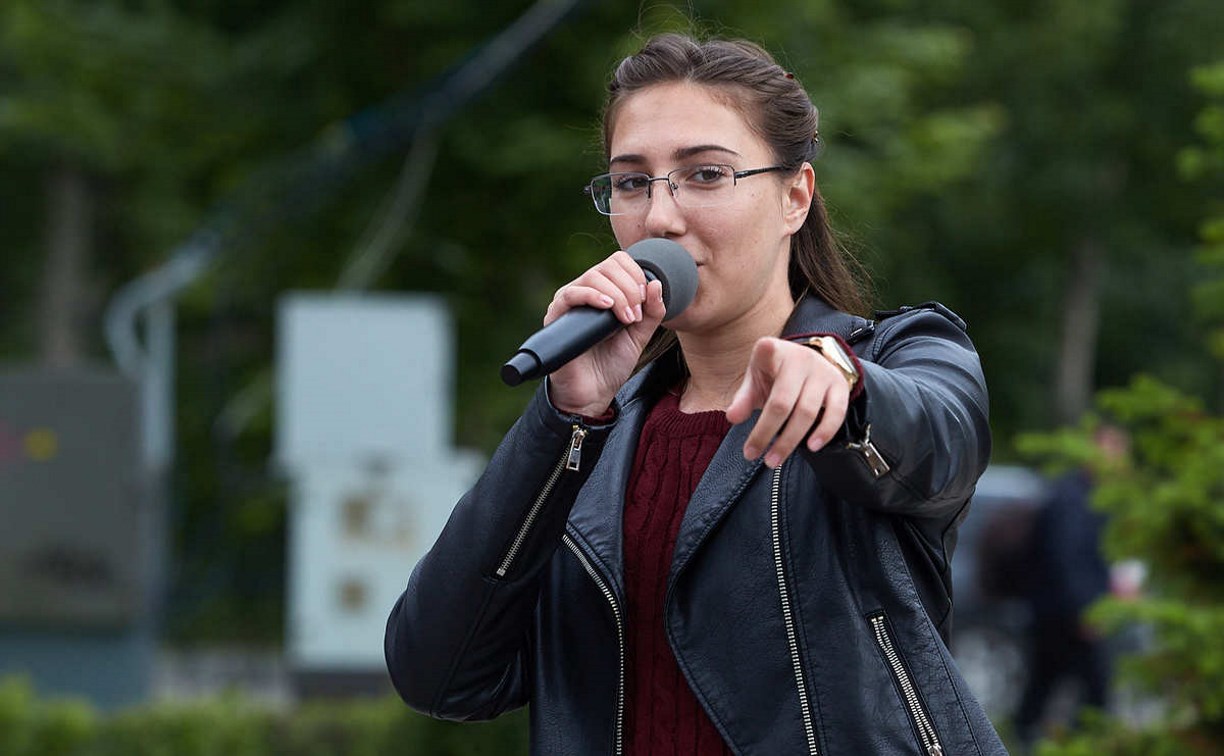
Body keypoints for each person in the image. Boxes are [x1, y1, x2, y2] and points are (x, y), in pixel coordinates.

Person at [386, 32, 1003, 755]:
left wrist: (843, 386)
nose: (660, 218)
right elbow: (437, 675)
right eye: (632, 183)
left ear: (795, 196)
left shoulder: (898, 357)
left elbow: (938, 437)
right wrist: (564, 420)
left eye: (706, 175)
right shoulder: (593, 439)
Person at [1013, 423, 1131, 748]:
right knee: (1093, 692)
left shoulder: (1093, 496)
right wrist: (1087, 611)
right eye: (1113, 450)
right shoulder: (1072, 498)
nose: (1119, 460)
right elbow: (1066, 560)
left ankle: (1029, 740)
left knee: (1044, 686)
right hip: (1067, 615)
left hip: (1063, 612)